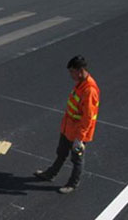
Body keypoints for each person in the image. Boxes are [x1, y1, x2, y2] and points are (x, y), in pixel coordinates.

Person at [34, 55, 100, 194]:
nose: (71, 75)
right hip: (68, 127)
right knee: (61, 153)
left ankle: (73, 184)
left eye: (72, 72)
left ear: (80, 70)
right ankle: (50, 174)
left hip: (78, 132)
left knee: (77, 159)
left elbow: (87, 117)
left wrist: (80, 138)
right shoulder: (81, 84)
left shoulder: (89, 90)